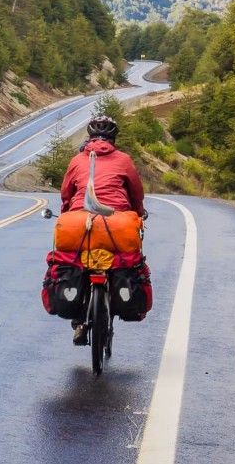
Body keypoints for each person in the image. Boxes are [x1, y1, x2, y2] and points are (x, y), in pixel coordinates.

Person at [59, 115, 149, 345]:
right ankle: (119, 300)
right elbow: (136, 193)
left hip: (79, 222)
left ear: (89, 137)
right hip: (117, 222)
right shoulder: (124, 160)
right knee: (124, 262)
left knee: (75, 263)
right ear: (113, 138)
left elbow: (66, 193)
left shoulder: (77, 160)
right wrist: (139, 212)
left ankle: (79, 322)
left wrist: (66, 212)